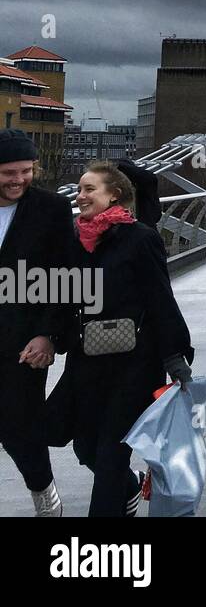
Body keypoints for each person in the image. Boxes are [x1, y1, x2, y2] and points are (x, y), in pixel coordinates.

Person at [47, 162, 192, 517]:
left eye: (89, 189)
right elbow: (61, 298)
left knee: (112, 451)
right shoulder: (74, 241)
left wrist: (175, 355)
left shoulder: (141, 238)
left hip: (135, 364)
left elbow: (160, 298)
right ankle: (129, 487)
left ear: (115, 194)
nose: (80, 196)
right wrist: (48, 336)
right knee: (86, 447)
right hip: (87, 360)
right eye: (79, 189)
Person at [0, 130, 76, 517]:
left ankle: (43, 491)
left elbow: (67, 276)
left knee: (19, 424)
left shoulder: (52, 210)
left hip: (24, 342)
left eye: (26, 171)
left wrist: (48, 334)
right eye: (8, 172)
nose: (18, 180)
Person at [115, 159, 162, 229]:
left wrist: (116, 165)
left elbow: (149, 177)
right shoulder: (142, 188)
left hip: (141, 231)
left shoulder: (143, 187)